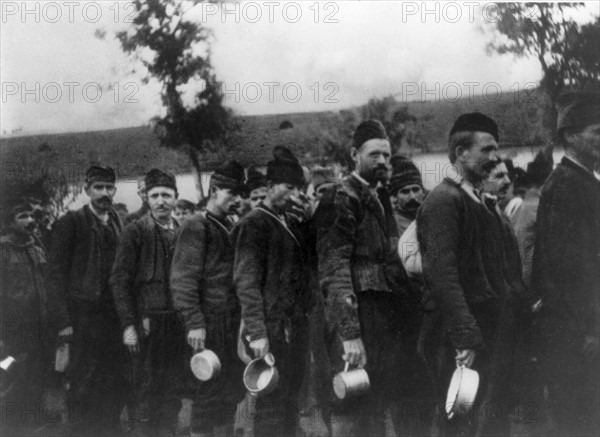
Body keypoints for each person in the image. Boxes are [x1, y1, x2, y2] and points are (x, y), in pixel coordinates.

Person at [416, 113, 518, 436]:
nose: (495, 157)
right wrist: (465, 335)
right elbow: (442, 274)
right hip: (457, 335)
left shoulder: (479, 200)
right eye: (486, 149)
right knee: (459, 420)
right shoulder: (444, 201)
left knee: (484, 419)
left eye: (496, 149)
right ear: (460, 153)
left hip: (485, 326)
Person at [318, 120, 411, 437]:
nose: (383, 161)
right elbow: (334, 270)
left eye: (387, 155)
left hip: (383, 315)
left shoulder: (379, 197)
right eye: (375, 154)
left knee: (377, 402)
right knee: (351, 403)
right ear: (355, 154)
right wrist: (349, 333)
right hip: (358, 316)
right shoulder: (339, 197)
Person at [531, 85, 600, 436]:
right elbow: (568, 268)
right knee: (579, 418)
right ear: (570, 136)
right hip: (574, 331)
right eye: (596, 131)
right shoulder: (567, 187)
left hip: (581, 327)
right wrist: (590, 327)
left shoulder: (583, 182)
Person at [232, 147, 312, 437]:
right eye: (288, 187)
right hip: (270, 328)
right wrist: (257, 332)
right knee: (271, 399)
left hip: (293, 325)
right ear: (268, 187)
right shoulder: (253, 224)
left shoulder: (288, 221)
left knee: (291, 396)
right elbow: (246, 282)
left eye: (298, 188)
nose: (294, 194)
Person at [47, 165, 128, 436]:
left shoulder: (117, 220)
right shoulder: (71, 223)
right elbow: (54, 276)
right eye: (99, 188)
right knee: (82, 379)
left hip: (113, 316)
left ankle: (110, 428)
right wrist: (62, 321)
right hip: (82, 316)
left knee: (113, 376)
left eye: (109, 188)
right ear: (87, 190)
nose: (105, 193)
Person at [171, 161, 246, 437]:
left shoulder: (229, 225)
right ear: (214, 190)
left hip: (230, 323)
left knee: (229, 393)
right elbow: (182, 280)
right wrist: (194, 322)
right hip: (208, 324)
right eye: (231, 193)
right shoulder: (195, 226)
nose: (237, 200)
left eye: (240, 194)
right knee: (207, 394)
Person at [110, 169, 184, 437]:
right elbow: (120, 280)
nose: (161, 201)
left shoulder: (184, 231)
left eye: (167, 195)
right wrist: (129, 324)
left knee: (173, 389)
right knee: (145, 390)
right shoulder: (135, 232)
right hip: (147, 324)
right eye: (155, 195)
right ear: (147, 198)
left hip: (177, 323)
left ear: (176, 198)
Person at [0, 197, 71, 434]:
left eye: (31, 216)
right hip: (13, 327)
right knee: (15, 372)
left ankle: (35, 417)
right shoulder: (3, 249)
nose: (30, 221)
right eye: (23, 217)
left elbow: (50, 285)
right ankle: (12, 423)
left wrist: (58, 320)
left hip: (41, 324)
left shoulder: (36, 245)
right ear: (10, 223)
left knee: (39, 370)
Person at [510, 151, 553, 287]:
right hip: (530, 278)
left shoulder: (524, 205)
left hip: (518, 276)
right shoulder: (537, 208)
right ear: (545, 183)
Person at [389, 155, 426, 237]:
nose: (412, 196)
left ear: (423, 192)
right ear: (395, 197)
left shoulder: (433, 216)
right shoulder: (392, 225)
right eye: (405, 192)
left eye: (416, 190)